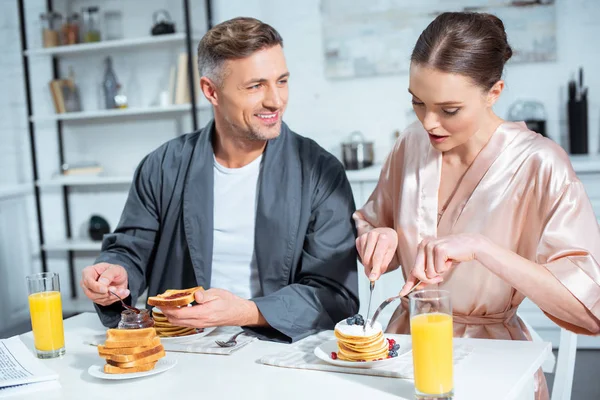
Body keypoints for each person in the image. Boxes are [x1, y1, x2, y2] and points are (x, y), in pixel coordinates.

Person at [353, 12, 600, 400]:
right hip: (404, 356)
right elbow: (372, 224)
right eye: (418, 102)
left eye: (449, 110)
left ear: (494, 92)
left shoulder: (539, 163)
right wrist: (376, 236)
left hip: (495, 364)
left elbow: (587, 310)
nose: (429, 123)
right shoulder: (410, 146)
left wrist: (482, 249)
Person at [80, 17, 359, 343]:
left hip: (279, 350)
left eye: (281, 81)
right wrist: (114, 274)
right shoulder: (163, 166)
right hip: (181, 350)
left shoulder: (320, 172)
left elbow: (335, 293)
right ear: (211, 91)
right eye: (256, 86)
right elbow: (130, 249)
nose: (276, 100)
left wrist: (245, 311)